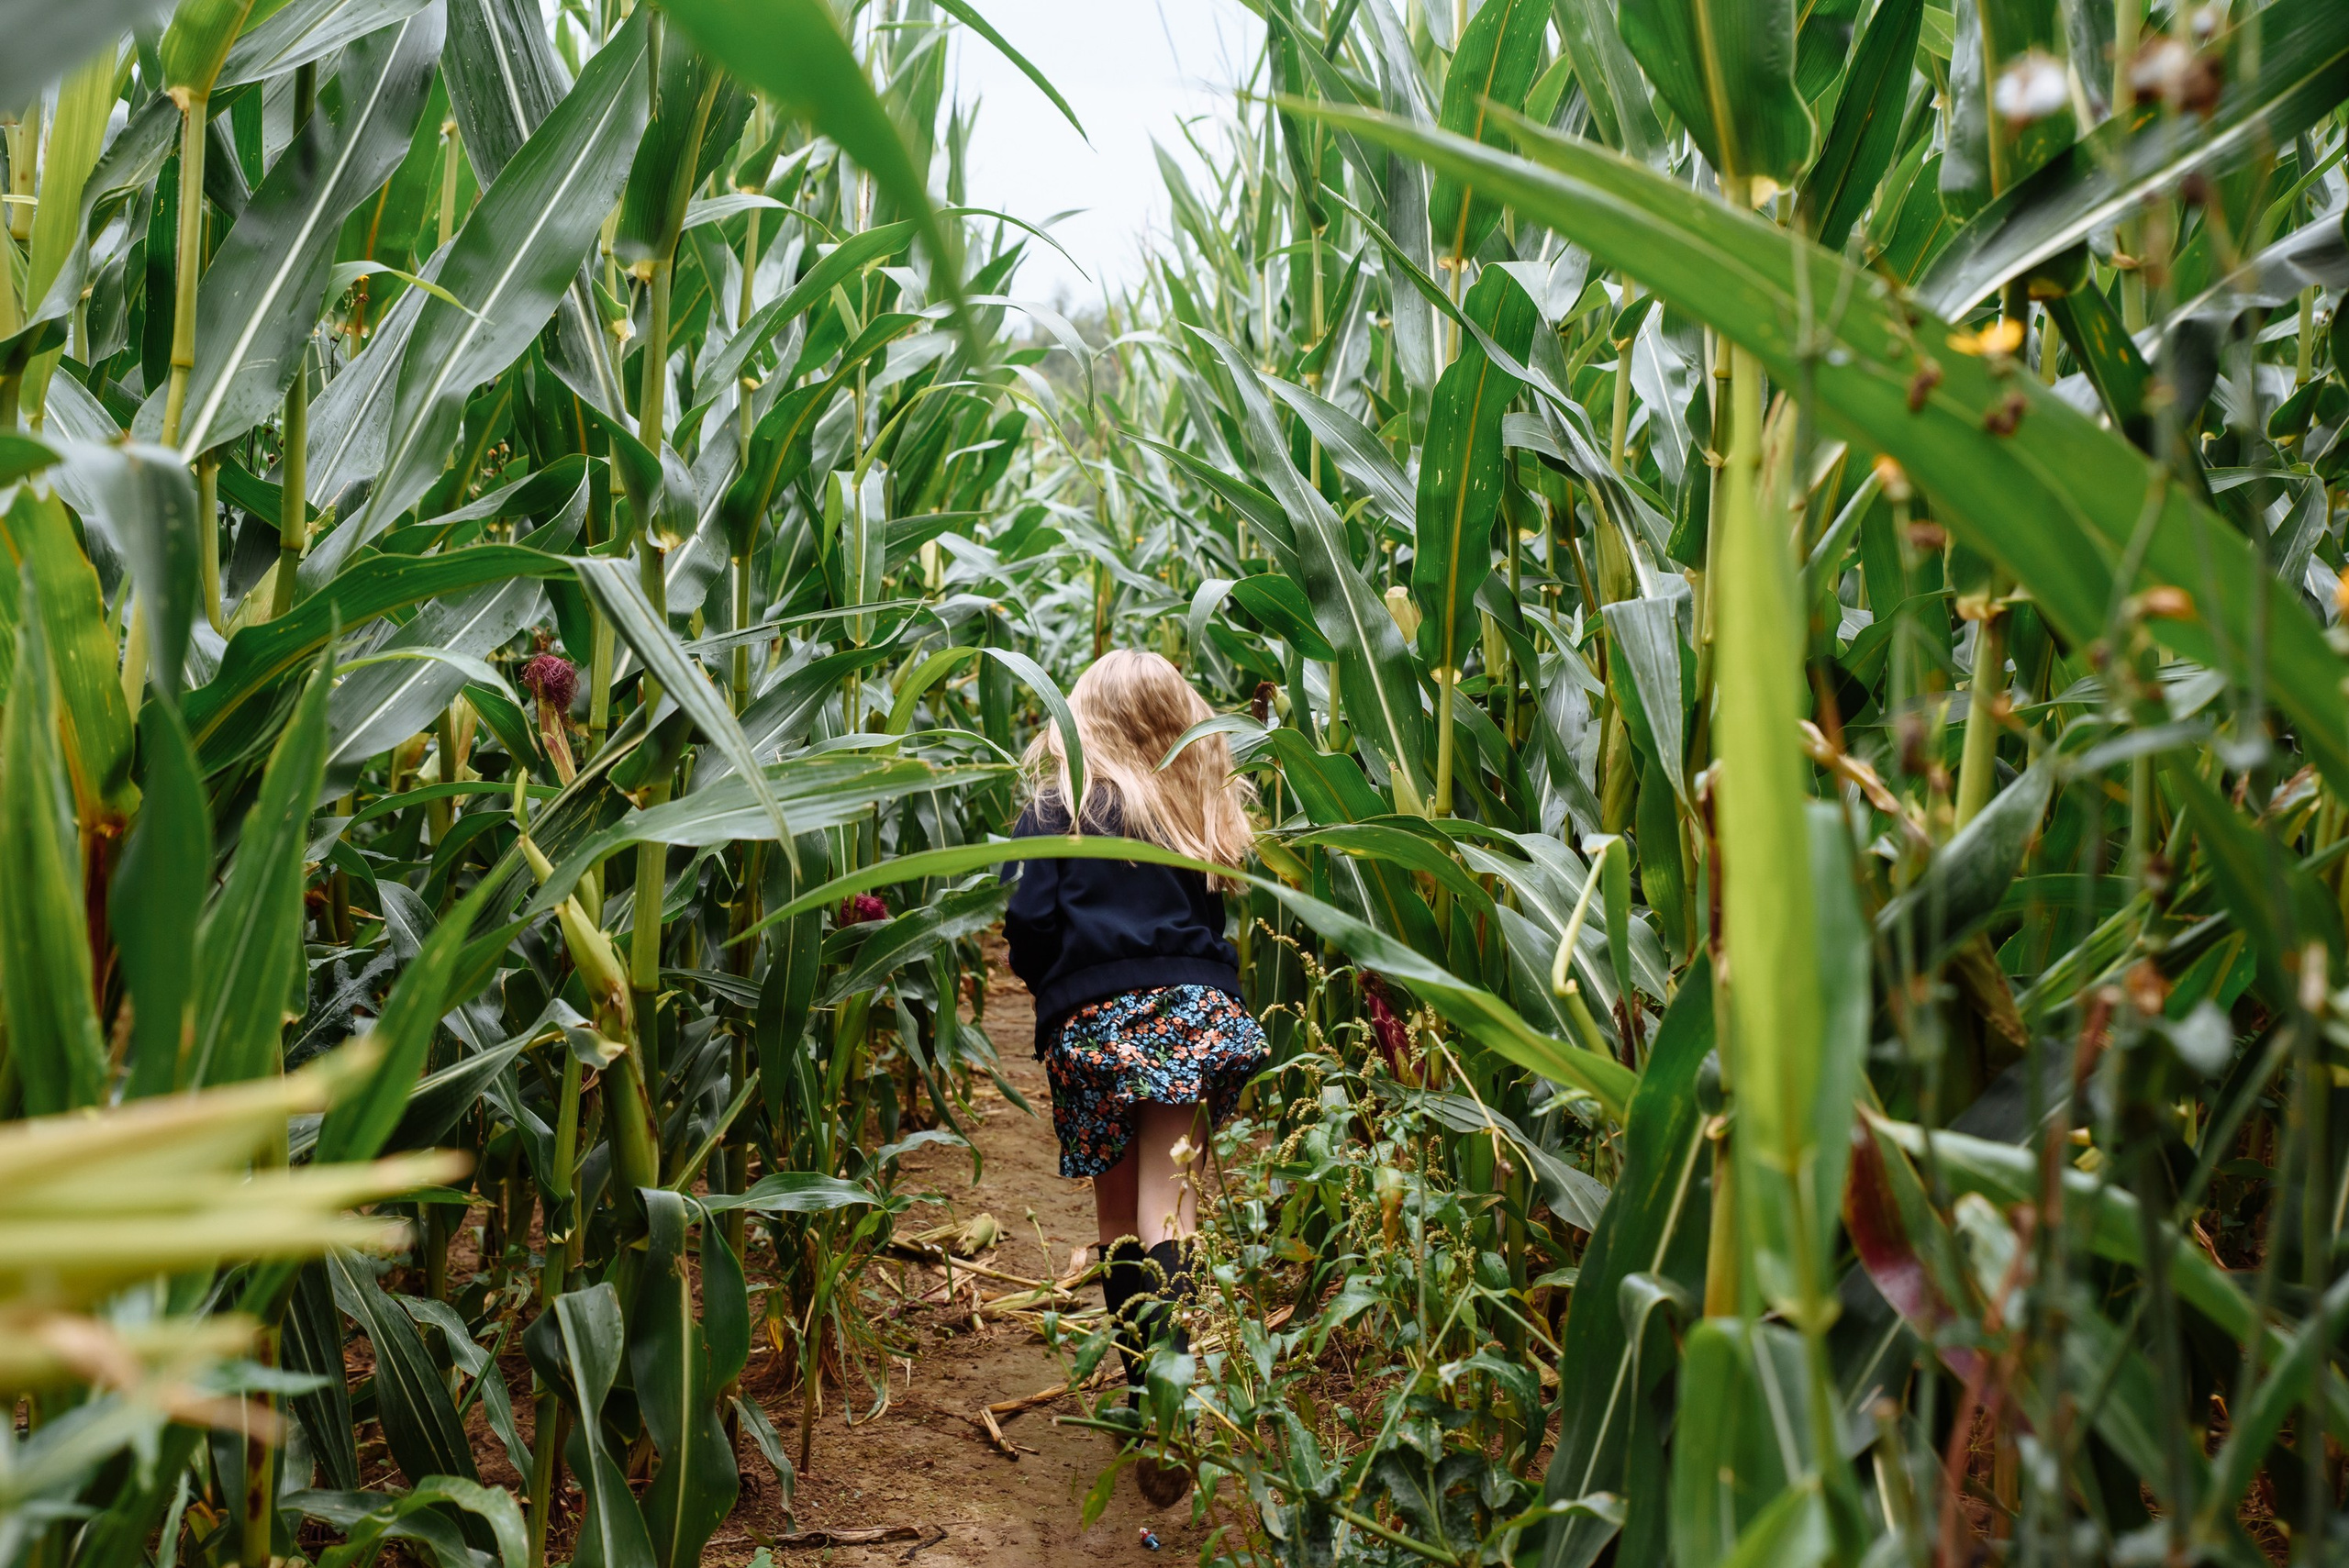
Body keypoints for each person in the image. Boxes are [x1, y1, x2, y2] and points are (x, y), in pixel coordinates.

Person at [1002, 649, 1268, 1503]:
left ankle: (1145, 1396)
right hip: (1188, 1013)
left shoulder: (1060, 801)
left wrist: (1061, 992)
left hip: (1094, 1019)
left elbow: (1029, 919)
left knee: (1118, 1213)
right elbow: (1210, 911)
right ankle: (1175, 1398)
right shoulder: (1191, 800)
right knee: (1172, 1201)